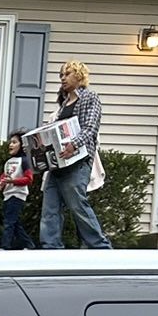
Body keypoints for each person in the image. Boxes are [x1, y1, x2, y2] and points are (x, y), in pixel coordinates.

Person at [39, 60, 112, 249]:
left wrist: (73, 145)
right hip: (58, 164)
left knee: (77, 205)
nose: (63, 78)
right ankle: (50, 247)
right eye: (61, 75)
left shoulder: (89, 97)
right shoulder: (63, 105)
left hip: (78, 162)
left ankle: (101, 247)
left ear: (79, 76)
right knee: (50, 209)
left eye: (67, 74)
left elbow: (90, 129)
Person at [0, 133, 34, 249]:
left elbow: (29, 179)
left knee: (9, 222)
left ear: (22, 145)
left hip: (17, 195)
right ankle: (29, 245)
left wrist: (12, 181)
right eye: (10, 142)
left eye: (14, 142)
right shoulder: (8, 162)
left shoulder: (24, 161)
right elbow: (4, 175)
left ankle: (5, 246)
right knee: (14, 222)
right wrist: (1, 183)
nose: (10, 145)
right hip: (7, 194)